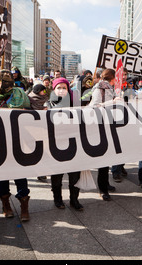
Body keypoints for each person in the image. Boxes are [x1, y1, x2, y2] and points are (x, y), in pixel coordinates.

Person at [0, 69, 31, 221]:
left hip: (17, 142)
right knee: (2, 175)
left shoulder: (20, 96)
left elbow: (27, 115)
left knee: (20, 174)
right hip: (0, 144)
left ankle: (24, 206)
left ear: (4, 84)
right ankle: (5, 205)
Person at [47, 77, 84, 211]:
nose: (62, 90)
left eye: (64, 87)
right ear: (54, 90)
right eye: (59, 88)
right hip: (56, 146)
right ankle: (58, 199)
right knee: (57, 176)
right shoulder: (48, 105)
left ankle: (74, 199)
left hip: (74, 144)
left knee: (75, 176)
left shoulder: (76, 104)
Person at [89, 69, 120, 200]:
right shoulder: (100, 88)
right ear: (112, 78)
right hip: (100, 125)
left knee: (108, 158)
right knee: (103, 160)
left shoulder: (109, 88)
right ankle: (102, 189)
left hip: (108, 124)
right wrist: (112, 102)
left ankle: (106, 184)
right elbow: (95, 106)